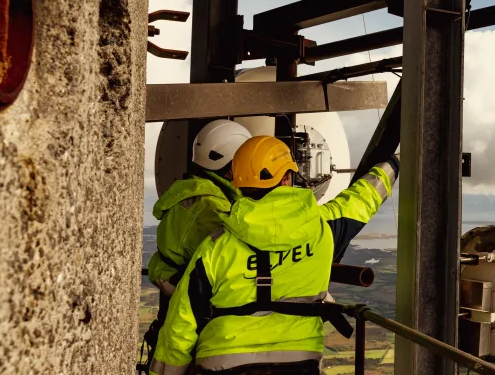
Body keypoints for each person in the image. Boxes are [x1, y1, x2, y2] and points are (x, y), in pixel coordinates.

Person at [150, 135, 400, 375]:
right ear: (286, 178)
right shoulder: (322, 228)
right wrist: (394, 164)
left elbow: (180, 325)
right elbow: (362, 199)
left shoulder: (216, 247)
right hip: (300, 361)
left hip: (223, 363)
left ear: (239, 183)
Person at [138, 120, 252, 375]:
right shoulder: (213, 208)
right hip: (196, 314)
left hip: (179, 303)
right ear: (231, 167)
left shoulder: (191, 195)